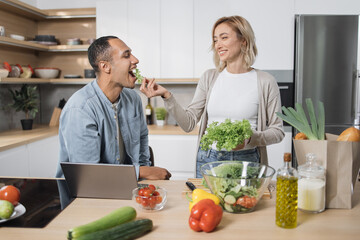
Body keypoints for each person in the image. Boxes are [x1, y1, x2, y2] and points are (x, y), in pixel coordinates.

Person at [140, 16, 284, 177]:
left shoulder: (265, 81)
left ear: (243, 40)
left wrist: (251, 138)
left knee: (244, 202)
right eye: (215, 40)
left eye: (224, 38)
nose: (218, 45)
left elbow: (277, 131)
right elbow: (189, 123)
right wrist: (166, 95)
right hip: (209, 159)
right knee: (206, 202)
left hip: (247, 160)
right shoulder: (209, 78)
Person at [55, 36, 171, 180]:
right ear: (105, 66)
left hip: (127, 186)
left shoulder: (133, 99)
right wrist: (142, 172)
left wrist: (145, 180)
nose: (135, 60)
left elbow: (141, 143)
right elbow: (88, 174)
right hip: (85, 195)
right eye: (126, 55)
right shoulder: (80, 109)